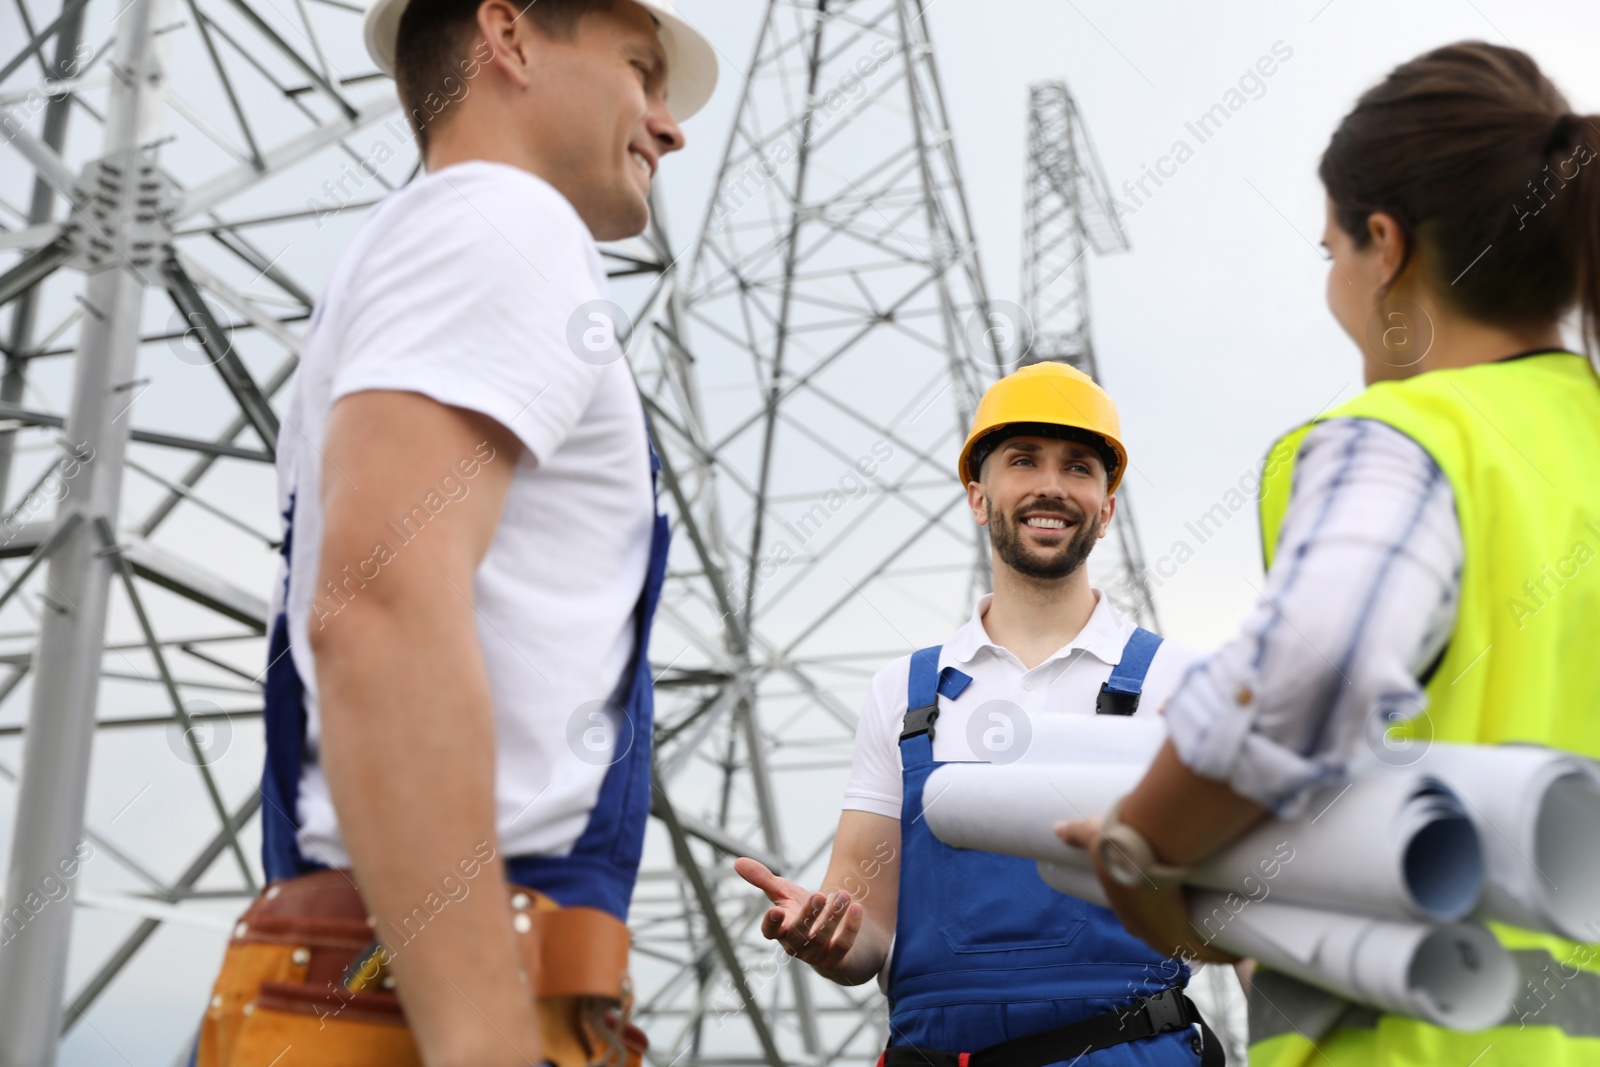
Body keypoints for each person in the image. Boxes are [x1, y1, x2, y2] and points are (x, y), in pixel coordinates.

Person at [193, 1, 716, 1065]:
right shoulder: (505, 225)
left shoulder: (428, 236)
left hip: (385, 979)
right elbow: (378, 606)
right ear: (510, 37)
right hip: (431, 998)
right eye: (640, 70)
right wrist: (482, 1040)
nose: (670, 126)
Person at [1058, 41, 1600, 1066]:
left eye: (1329, 252)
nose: (1336, 288)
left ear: (1383, 244)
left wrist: (1147, 849)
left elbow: (1314, 663)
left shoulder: (1406, 437)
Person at [737, 362, 1224, 1066]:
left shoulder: (1184, 686)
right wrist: (831, 935)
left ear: (1108, 505)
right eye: (1023, 460)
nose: (1051, 485)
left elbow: (1245, 908)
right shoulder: (906, 696)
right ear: (977, 494)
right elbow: (866, 930)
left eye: (1079, 467)